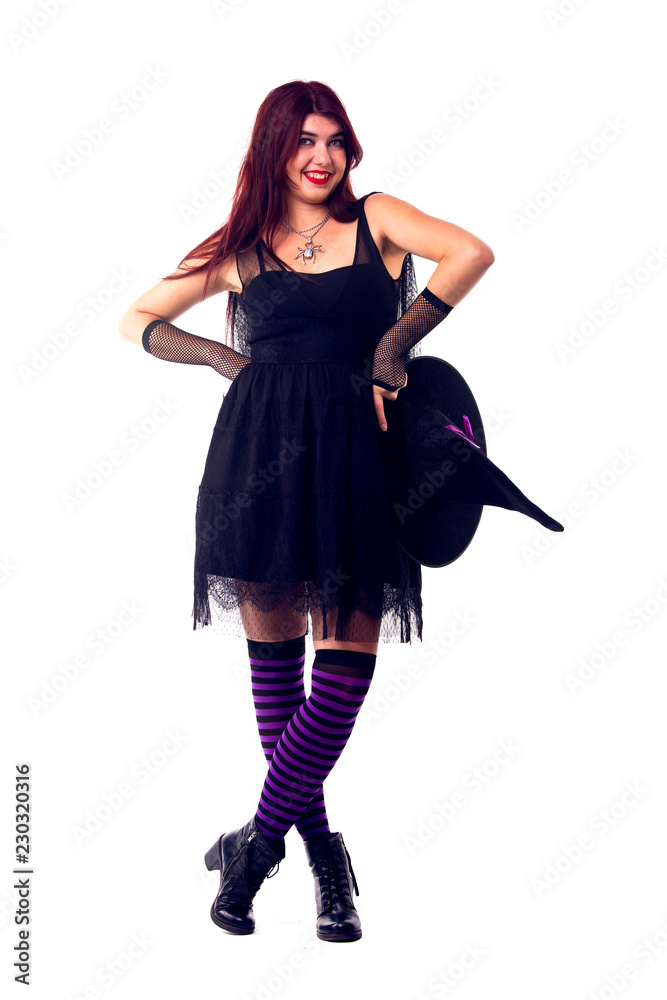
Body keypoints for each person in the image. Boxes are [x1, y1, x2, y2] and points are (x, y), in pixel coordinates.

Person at [118, 80, 494, 943]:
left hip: (359, 465)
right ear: (273, 151)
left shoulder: (378, 220)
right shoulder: (241, 249)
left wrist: (393, 345)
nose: (320, 157)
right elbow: (138, 318)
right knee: (278, 673)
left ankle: (254, 847)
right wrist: (223, 359)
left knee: (342, 677)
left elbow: (470, 252)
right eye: (302, 141)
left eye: (333, 140)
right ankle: (324, 853)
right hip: (257, 462)